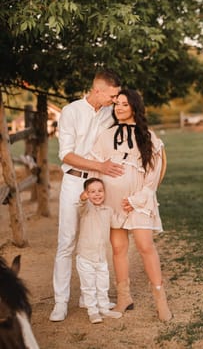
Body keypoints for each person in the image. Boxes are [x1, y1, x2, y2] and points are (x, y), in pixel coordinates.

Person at [90, 89, 172, 321]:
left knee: (145, 245)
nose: (119, 108)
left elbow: (154, 174)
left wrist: (136, 199)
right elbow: (96, 163)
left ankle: (160, 300)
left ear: (135, 107)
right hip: (113, 201)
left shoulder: (148, 137)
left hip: (138, 201)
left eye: (125, 104)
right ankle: (124, 297)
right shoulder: (106, 135)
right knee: (118, 248)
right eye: (117, 104)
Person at [49, 69, 123, 322]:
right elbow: (66, 155)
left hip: (98, 185)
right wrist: (99, 167)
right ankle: (60, 302)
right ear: (98, 90)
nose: (114, 100)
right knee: (67, 242)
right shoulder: (71, 112)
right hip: (73, 181)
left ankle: (87, 297)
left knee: (94, 241)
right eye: (112, 95)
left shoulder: (109, 113)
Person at [76, 177, 124, 324]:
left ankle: (104, 308)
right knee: (89, 286)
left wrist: (126, 212)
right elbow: (81, 205)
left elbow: (117, 223)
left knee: (103, 284)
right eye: (92, 192)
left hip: (101, 257)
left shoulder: (108, 210)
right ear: (86, 194)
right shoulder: (86, 209)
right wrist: (83, 199)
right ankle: (93, 311)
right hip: (85, 256)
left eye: (100, 191)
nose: (97, 194)